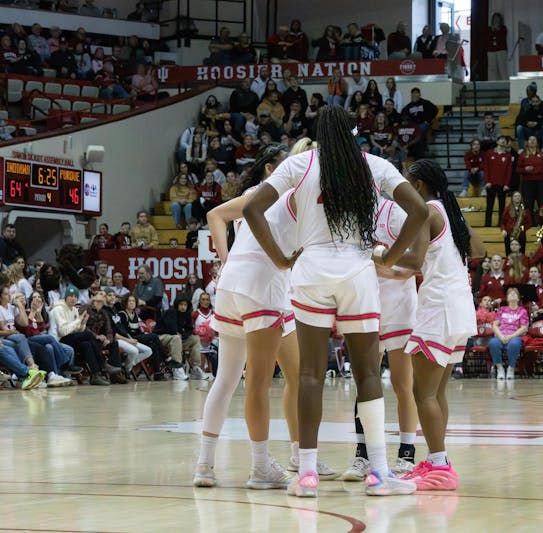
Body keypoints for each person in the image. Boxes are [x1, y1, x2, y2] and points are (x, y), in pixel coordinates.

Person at [242, 105, 427, 497]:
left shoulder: (300, 164)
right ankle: (379, 473)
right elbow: (419, 209)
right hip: (358, 271)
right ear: (354, 131)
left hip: (310, 270)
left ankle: (307, 475)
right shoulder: (374, 165)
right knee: (368, 375)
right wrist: (390, 258)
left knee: (310, 374)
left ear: (318, 133)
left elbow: (251, 208)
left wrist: (280, 259)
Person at [194, 143, 307, 489]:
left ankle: (204, 466)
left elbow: (215, 215)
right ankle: (261, 467)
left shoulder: (256, 191)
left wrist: (226, 260)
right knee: (258, 382)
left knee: (226, 379)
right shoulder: (290, 194)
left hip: (232, 285)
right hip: (263, 285)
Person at [400, 159, 482, 490]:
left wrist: (376, 253)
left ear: (418, 185)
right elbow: (479, 249)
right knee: (436, 392)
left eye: (406, 181)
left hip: (439, 308)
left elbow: (414, 260)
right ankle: (438, 459)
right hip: (459, 307)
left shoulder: (427, 212)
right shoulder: (450, 211)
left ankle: (440, 466)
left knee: (422, 393)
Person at [340, 196, 421, 480]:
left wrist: (388, 271)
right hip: (365, 303)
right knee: (365, 381)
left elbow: (414, 262)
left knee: (402, 384)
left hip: (399, 306)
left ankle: (407, 454)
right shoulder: (352, 216)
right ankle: (363, 455)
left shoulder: (396, 213)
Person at [50, 285, 112, 386]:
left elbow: (77, 330)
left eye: (75, 296)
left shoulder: (74, 309)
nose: (73, 298)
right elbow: (63, 331)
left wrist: (83, 323)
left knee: (86, 344)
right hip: (58, 339)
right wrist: (78, 320)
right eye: (70, 296)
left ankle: (95, 375)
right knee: (87, 335)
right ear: (65, 297)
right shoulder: (58, 309)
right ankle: (102, 363)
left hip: (70, 338)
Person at [116, 293, 166, 381]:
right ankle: (166, 358)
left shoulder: (135, 314)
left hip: (137, 337)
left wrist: (145, 336)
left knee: (153, 346)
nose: (132, 303)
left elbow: (138, 330)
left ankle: (157, 373)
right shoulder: (122, 314)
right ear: (125, 303)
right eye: (129, 301)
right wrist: (131, 339)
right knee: (154, 336)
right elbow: (123, 331)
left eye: (133, 301)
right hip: (129, 339)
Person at [489, 287, 528, 381]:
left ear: (518, 298)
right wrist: (501, 336)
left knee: (514, 344)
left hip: (515, 335)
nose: (512, 294)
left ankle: (511, 368)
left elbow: (524, 327)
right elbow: (495, 325)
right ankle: (500, 368)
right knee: (493, 343)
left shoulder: (522, 311)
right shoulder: (502, 309)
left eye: (515, 293)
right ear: (507, 298)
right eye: (510, 294)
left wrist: (511, 336)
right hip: (501, 335)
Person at [483, 136, 513, 228]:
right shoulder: (489, 153)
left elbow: (509, 171)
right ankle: (487, 225)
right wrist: (487, 181)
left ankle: (501, 225)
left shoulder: (508, 155)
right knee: (489, 206)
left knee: (502, 207)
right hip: (490, 184)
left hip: (502, 185)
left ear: (506, 143)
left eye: (505, 140)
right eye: (501, 139)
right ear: (497, 141)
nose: (503, 141)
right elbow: (486, 168)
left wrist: (506, 184)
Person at [517, 136, 543, 213]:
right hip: (528, 184)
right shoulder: (522, 154)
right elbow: (517, 170)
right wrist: (525, 170)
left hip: (542, 183)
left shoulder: (542, 154)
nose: (532, 141)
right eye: (530, 140)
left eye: (534, 140)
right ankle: (529, 220)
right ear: (527, 142)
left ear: (537, 143)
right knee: (528, 205)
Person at [501, 191, 533, 255]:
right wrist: (503, 229)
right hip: (509, 235)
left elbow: (529, 223)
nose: (517, 197)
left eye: (519, 196)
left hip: (521, 235)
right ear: (512, 198)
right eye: (515, 196)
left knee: (521, 254)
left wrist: (522, 228)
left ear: (521, 198)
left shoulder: (525, 210)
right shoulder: (507, 209)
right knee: (509, 254)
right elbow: (502, 222)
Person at [486, 13, 509, 81]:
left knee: (502, 69)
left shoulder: (503, 28)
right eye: (495, 19)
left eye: (497, 19)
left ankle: (505, 84)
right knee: (492, 70)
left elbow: (502, 38)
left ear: (500, 20)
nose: (496, 20)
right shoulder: (489, 29)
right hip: (491, 51)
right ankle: (492, 84)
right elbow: (487, 40)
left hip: (501, 51)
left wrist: (497, 29)